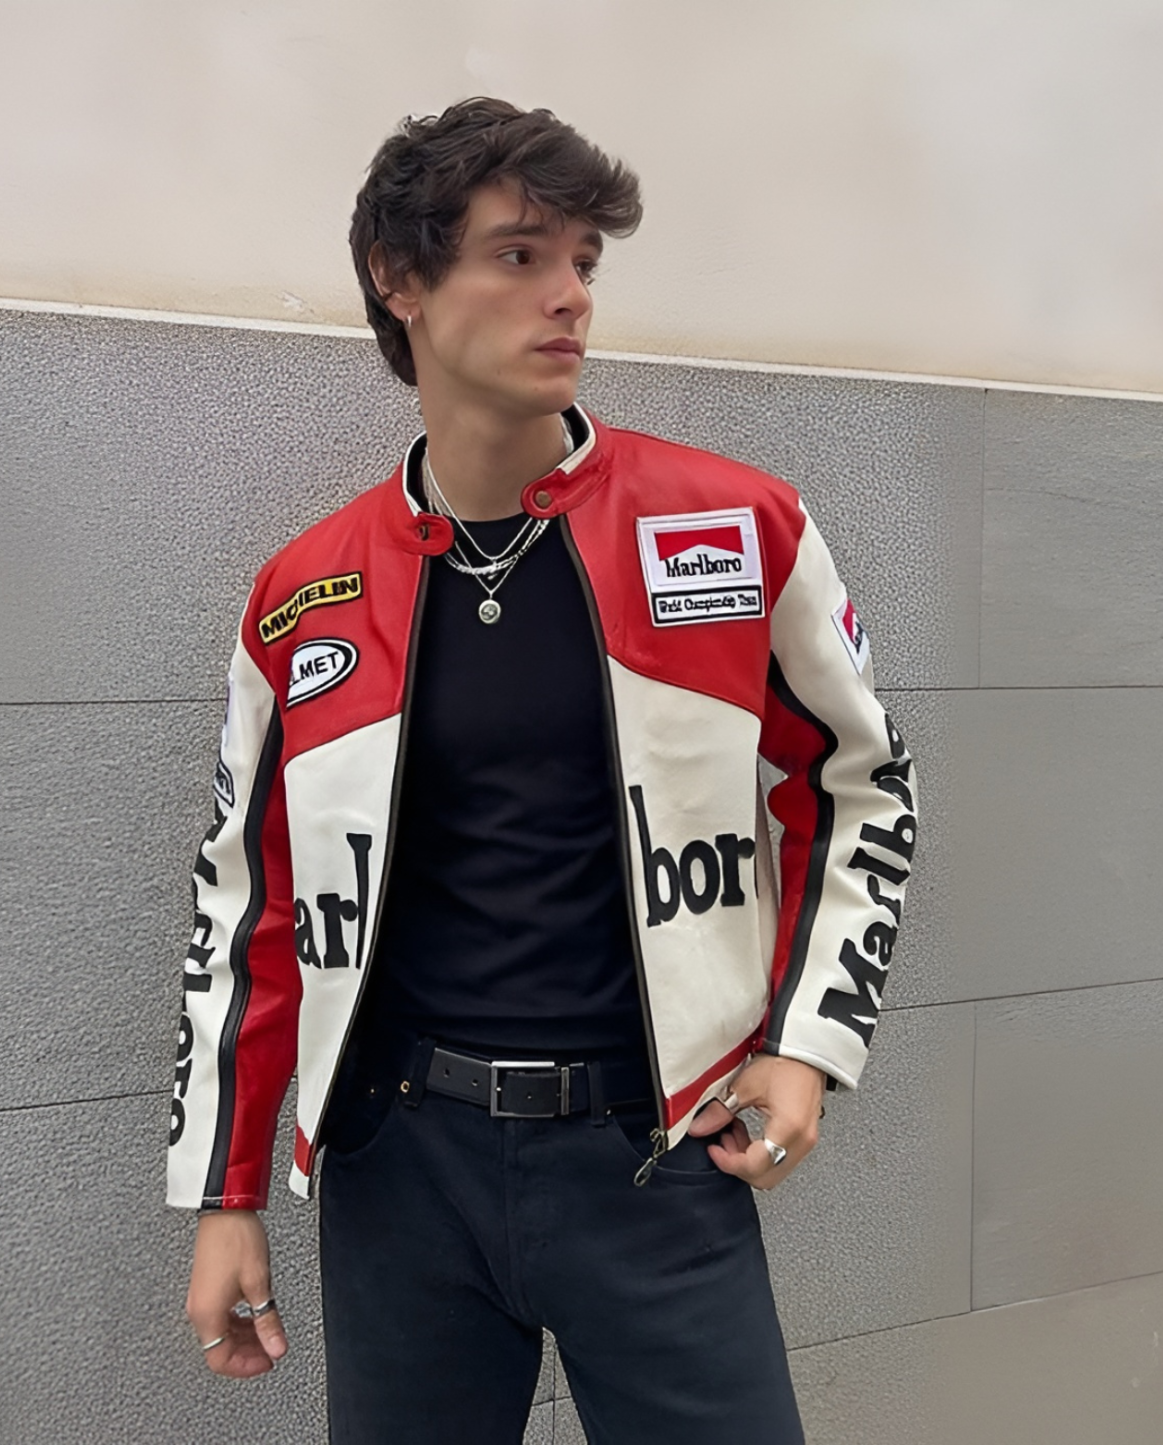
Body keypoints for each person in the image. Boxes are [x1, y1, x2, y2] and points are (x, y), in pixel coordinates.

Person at [169, 97, 917, 1444]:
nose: (570, 294)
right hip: (399, 1171)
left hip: (655, 1153)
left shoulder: (736, 526)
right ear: (400, 281)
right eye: (520, 255)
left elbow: (861, 787)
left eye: (583, 260)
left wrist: (806, 1049)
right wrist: (227, 1196)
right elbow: (247, 905)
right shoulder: (303, 593)